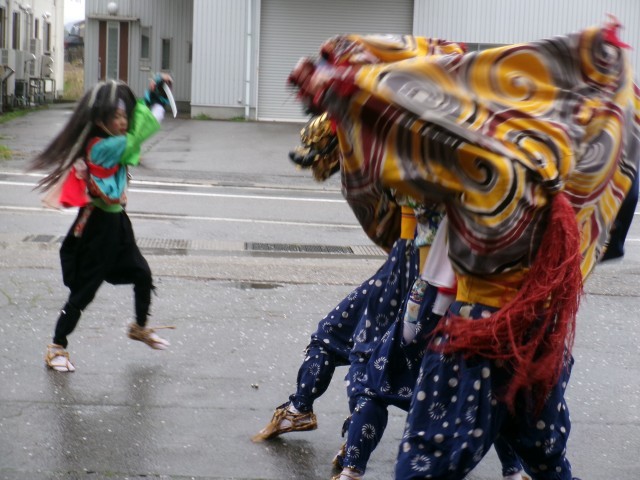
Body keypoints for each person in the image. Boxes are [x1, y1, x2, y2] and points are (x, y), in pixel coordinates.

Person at [288, 21, 638, 480]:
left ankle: (346, 455)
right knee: (546, 453)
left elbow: (421, 133)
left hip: (474, 336)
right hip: (542, 332)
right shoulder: (579, 180)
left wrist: (346, 87)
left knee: (425, 458)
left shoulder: (489, 169)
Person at [31, 74, 175, 372]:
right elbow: (138, 134)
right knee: (83, 294)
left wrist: (150, 97)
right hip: (96, 229)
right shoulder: (101, 147)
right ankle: (56, 347)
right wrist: (157, 104)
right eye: (115, 117)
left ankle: (139, 327)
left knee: (142, 274)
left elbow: (135, 127)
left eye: (124, 116)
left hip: (118, 224)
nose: (122, 122)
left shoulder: (112, 140)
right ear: (100, 121)